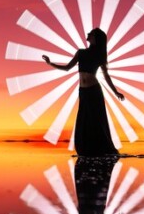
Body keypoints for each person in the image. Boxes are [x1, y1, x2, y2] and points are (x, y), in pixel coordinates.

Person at [42, 28, 125, 156]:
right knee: (83, 121)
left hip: (94, 91)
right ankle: (86, 150)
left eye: (91, 34)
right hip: (83, 92)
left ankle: (101, 150)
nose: (88, 34)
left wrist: (116, 92)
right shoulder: (80, 53)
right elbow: (67, 68)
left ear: (96, 38)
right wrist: (50, 63)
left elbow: (106, 76)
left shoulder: (100, 55)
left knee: (97, 122)